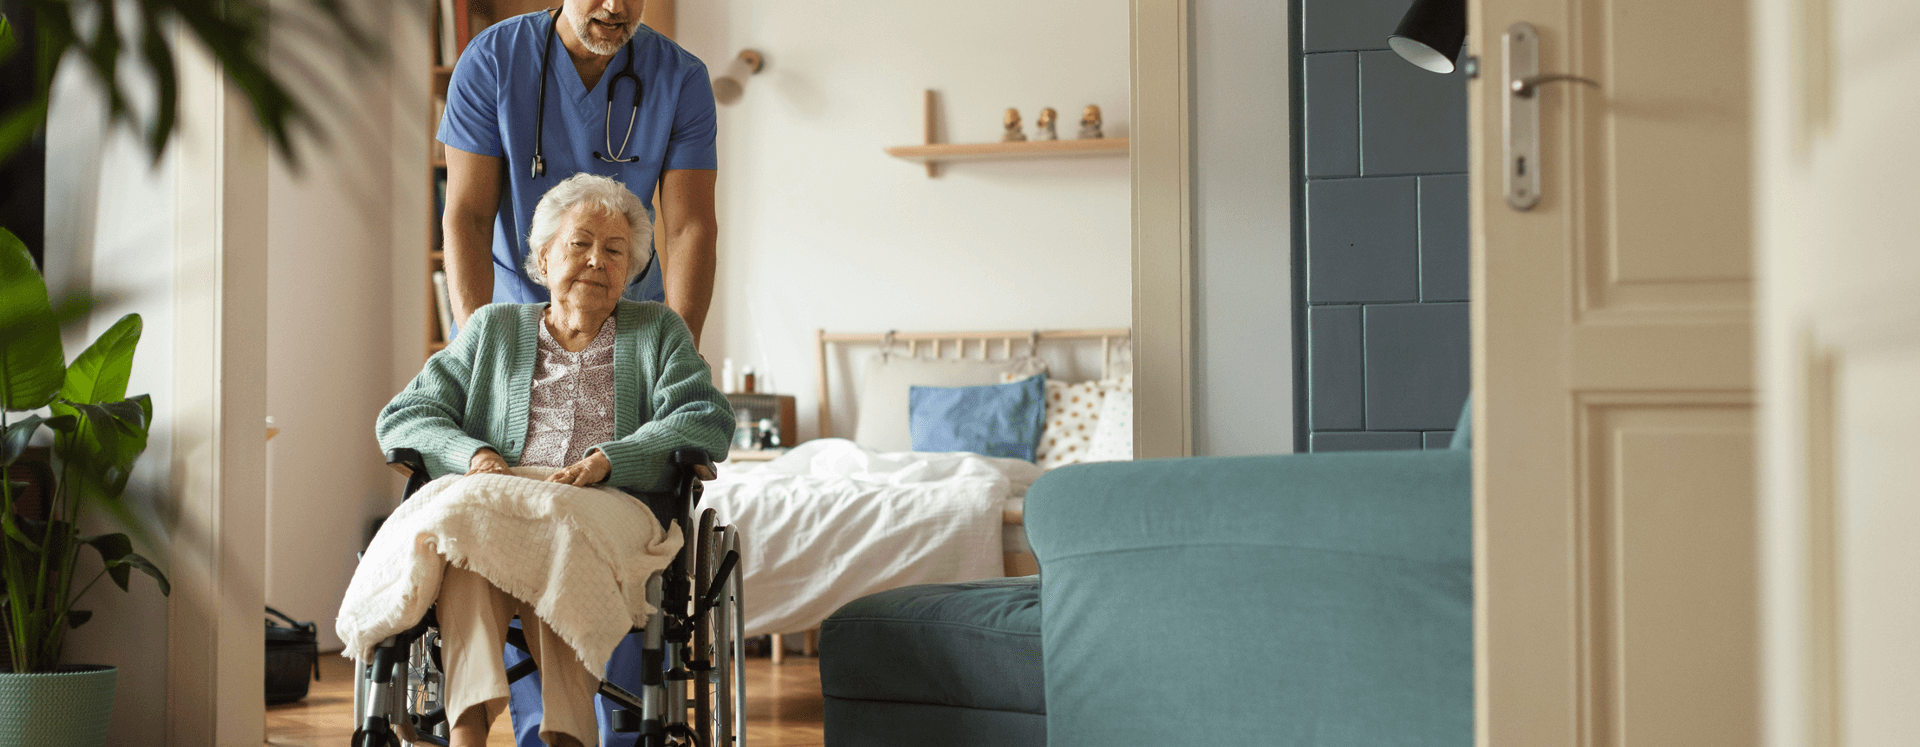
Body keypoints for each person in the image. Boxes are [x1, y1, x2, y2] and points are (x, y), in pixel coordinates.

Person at [377, 174, 732, 747]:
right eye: (580, 243)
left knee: (561, 526)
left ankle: (567, 737)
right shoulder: (493, 328)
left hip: (607, 505)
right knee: (465, 542)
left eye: (615, 251)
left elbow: (705, 420)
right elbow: (404, 416)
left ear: (630, 270)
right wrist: (476, 454)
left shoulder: (658, 332)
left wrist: (611, 460)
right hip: (501, 499)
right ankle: (466, 736)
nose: (597, 260)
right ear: (543, 258)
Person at [439, 0, 718, 345]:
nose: (615, 6)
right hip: (509, 321)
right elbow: (468, 217)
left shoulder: (680, 78)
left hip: (629, 330)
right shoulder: (492, 59)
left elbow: (689, 228)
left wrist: (680, 349)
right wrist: (475, 345)